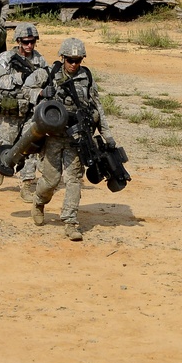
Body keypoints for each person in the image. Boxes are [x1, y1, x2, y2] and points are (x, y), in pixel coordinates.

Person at [23, 38, 116, 241]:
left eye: (78, 60)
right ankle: (39, 201)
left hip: (77, 138)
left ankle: (70, 221)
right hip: (53, 137)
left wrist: (107, 135)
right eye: (70, 60)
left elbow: (98, 107)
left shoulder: (87, 77)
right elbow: (25, 89)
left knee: (74, 179)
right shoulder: (48, 74)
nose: (74, 64)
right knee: (51, 180)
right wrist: (40, 92)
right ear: (63, 58)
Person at [0, 22, 47, 200]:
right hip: (11, 108)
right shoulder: (7, 57)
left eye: (32, 42)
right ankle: (0, 165)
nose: (29, 46)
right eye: (25, 42)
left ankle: (27, 184)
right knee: (6, 142)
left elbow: (47, 82)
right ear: (18, 41)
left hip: (31, 109)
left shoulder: (39, 60)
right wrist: (20, 77)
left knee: (29, 146)